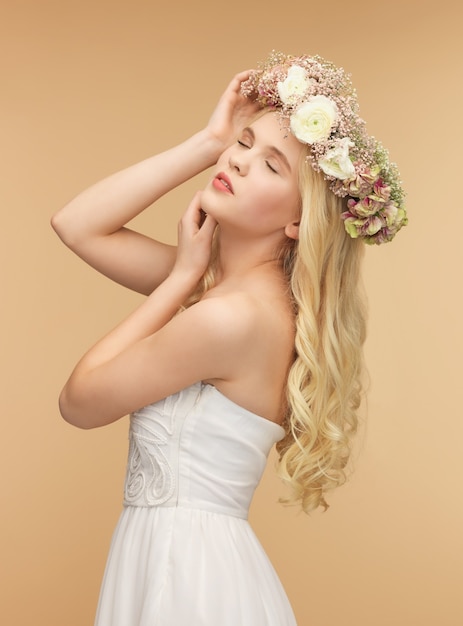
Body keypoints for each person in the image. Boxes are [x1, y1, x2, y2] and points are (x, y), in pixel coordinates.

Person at [51, 51, 406, 626]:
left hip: (188, 577)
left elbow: (79, 402)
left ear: (299, 218)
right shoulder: (234, 293)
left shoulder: (227, 317)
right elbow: (77, 223)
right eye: (243, 143)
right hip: (181, 559)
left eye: (272, 166)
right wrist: (206, 140)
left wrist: (180, 281)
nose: (239, 163)